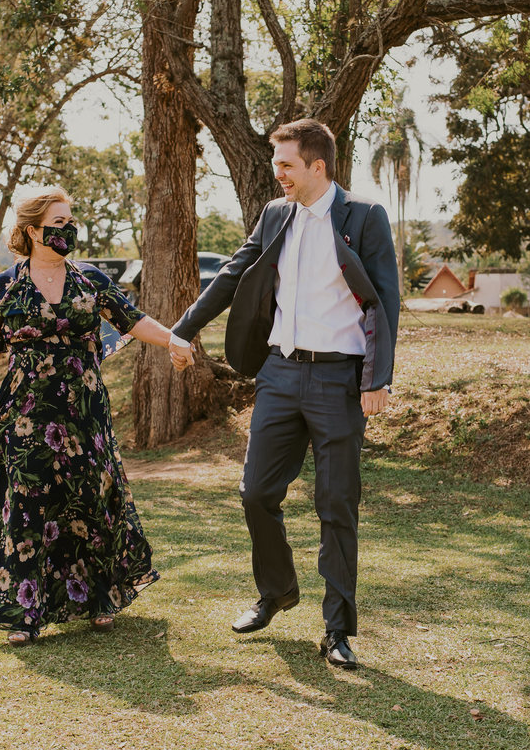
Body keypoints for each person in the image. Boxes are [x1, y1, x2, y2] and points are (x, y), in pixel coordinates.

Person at [168, 119, 400, 669]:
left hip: (340, 381)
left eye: (286, 164)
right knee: (255, 493)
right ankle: (277, 592)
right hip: (278, 375)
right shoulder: (276, 214)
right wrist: (184, 328)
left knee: (336, 505)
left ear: (317, 166)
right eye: (277, 164)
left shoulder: (364, 217)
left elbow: (384, 302)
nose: (278, 174)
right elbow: (232, 273)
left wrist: (377, 377)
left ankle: (338, 630)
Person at [0, 185, 176, 646]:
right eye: (57, 223)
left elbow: (131, 319)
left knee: (91, 496)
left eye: (69, 221)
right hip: (23, 412)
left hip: (84, 409)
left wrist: (172, 340)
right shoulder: (3, 288)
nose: (68, 229)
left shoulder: (91, 280)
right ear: (31, 230)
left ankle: (100, 598)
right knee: (27, 504)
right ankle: (22, 612)